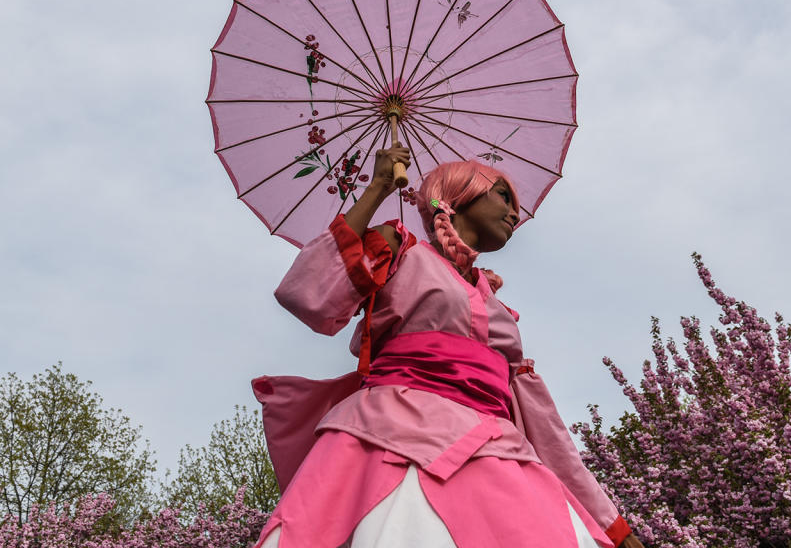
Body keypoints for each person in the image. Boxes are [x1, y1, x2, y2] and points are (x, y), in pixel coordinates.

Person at [252, 142, 644, 547]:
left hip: (497, 451)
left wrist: (612, 525)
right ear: (457, 197)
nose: (515, 212)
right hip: (389, 436)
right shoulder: (400, 251)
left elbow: (546, 429)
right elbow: (309, 298)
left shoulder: (499, 312)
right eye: (503, 195)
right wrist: (378, 187)